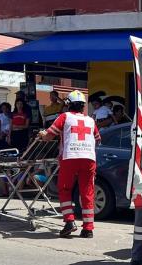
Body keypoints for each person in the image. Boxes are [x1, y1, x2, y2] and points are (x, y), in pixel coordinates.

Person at [39, 90, 101, 239]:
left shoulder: (64, 117)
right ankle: (88, 229)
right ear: (83, 106)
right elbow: (98, 139)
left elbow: (48, 136)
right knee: (87, 193)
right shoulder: (91, 121)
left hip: (70, 158)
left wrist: (42, 134)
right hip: (89, 159)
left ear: (68, 104)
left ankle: (69, 222)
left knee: (65, 189)